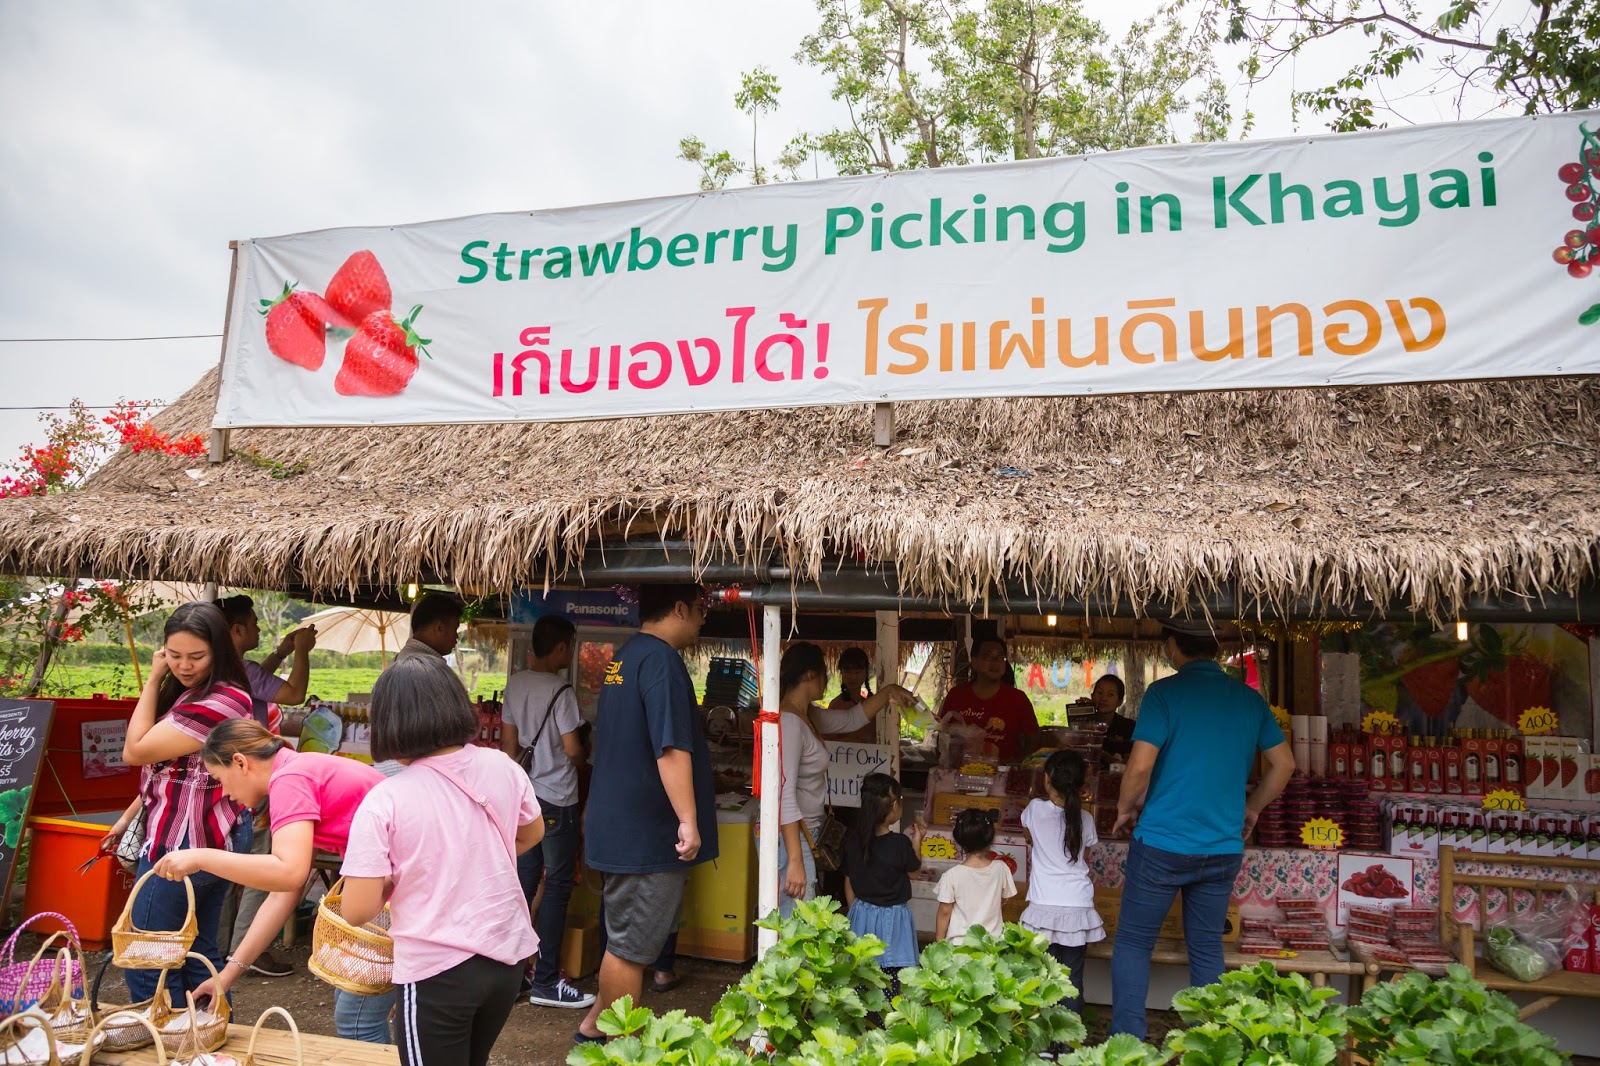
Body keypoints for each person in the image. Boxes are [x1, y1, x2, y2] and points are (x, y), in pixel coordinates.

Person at [340, 655, 543, 1066]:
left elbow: (357, 909)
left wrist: (402, 878)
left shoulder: (387, 798)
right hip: (505, 960)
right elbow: (532, 833)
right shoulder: (502, 766)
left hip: (436, 971)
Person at [150, 720, 393, 1042]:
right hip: (398, 890)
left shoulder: (289, 779)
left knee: (357, 1020)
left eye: (221, 779)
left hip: (401, 893)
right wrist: (229, 974)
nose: (227, 794)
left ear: (240, 762)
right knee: (372, 1012)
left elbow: (287, 872)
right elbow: (283, 891)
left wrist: (201, 857)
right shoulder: (297, 770)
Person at [1109, 620, 1295, 1040]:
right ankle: (1211, 1044)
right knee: (1207, 947)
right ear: (1214, 648)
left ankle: (1128, 1045)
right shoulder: (1249, 700)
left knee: (1135, 944)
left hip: (1161, 844)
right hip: (1222, 848)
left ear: (1172, 646)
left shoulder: (1163, 694)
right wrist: (1253, 808)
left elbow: (1139, 766)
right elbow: (1285, 765)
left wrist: (1124, 808)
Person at [576, 583, 718, 1045]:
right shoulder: (661, 661)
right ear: (678, 608)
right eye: (699, 610)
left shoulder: (625, 656)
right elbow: (670, 747)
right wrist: (688, 819)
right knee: (631, 947)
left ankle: (596, 1026)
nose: (702, 620)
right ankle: (615, 1045)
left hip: (619, 822)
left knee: (625, 938)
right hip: (645, 832)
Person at [107, 602, 255, 1004]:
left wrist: (154, 679)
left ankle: (171, 1042)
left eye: (196, 656)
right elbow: (171, 772)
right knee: (195, 952)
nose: (184, 666)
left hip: (186, 838)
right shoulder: (202, 692)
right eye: (173, 656)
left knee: (149, 956)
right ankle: (204, 1042)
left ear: (219, 652)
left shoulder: (220, 701)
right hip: (206, 832)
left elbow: (136, 751)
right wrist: (126, 821)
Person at [213, 593, 317, 980]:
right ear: (237, 631)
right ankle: (247, 950)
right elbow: (293, 694)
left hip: (222, 777)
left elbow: (260, 680)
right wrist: (303, 651)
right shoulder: (242, 669)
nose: (258, 627)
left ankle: (219, 946)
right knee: (261, 864)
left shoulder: (222, 668)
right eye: (254, 623)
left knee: (226, 864)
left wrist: (282, 651)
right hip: (251, 780)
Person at [500, 614, 595, 1010]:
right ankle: (546, 981)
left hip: (524, 799)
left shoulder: (515, 684)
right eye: (570, 646)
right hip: (558, 798)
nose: (570, 653)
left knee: (523, 885)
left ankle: (512, 976)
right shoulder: (561, 691)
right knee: (555, 887)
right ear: (559, 648)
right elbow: (573, 750)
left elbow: (508, 748)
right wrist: (582, 758)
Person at [1020, 750, 1103, 1014]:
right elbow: (1085, 856)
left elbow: (1028, 837)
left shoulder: (1034, 810)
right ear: (1081, 785)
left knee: (1044, 977)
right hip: (1077, 906)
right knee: (1072, 978)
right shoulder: (1086, 818)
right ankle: (1070, 1043)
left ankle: (1045, 1044)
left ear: (1047, 780)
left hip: (1043, 906)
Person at [843, 773, 923, 971]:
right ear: (895, 805)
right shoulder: (900, 844)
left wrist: (858, 912)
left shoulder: (853, 839)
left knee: (861, 971)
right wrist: (917, 840)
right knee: (891, 973)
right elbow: (914, 873)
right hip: (894, 919)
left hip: (861, 912)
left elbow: (848, 879)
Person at [939, 636, 1040, 761]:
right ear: (974, 662)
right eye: (988, 656)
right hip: (960, 774)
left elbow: (1034, 741)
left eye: (1000, 657)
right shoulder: (956, 696)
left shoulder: (1018, 699)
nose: (995, 662)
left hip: (1003, 775)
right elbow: (942, 736)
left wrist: (1016, 765)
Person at [935, 808, 1015, 943]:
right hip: (992, 945)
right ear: (991, 838)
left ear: (959, 839)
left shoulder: (951, 875)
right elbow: (1004, 901)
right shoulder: (1001, 868)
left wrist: (938, 942)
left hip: (960, 945)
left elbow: (945, 911)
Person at [397, 592, 463, 661]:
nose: (456, 636)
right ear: (439, 628)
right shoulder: (425, 667)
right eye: (455, 629)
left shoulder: (399, 660)